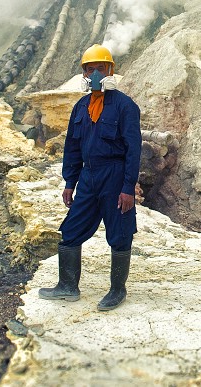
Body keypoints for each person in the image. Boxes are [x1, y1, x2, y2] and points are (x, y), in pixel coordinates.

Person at [38, 44, 141, 311]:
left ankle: (117, 290)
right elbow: (72, 147)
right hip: (88, 177)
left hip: (115, 176)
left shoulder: (125, 106)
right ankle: (67, 286)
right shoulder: (81, 107)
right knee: (71, 230)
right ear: (83, 73)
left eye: (100, 69)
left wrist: (128, 187)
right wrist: (70, 182)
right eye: (89, 69)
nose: (95, 74)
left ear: (110, 70)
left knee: (120, 233)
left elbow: (133, 150)